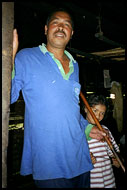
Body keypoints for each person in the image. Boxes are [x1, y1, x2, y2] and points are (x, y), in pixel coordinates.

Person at [11, 7, 106, 188]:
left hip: (80, 159)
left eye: (66, 25)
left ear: (71, 33)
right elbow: (6, 98)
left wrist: (86, 128)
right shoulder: (26, 57)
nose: (61, 27)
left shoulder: (75, 65)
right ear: (46, 29)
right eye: (56, 23)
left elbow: (69, 109)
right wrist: (7, 59)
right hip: (49, 164)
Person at [84, 94, 120, 188]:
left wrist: (115, 159)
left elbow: (114, 152)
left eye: (102, 113)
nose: (98, 116)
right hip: (92, 181)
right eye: (95, 110)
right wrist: (86, 159)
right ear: (86, 109)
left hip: (109, 180)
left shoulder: (105, 130)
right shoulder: (80, 131)